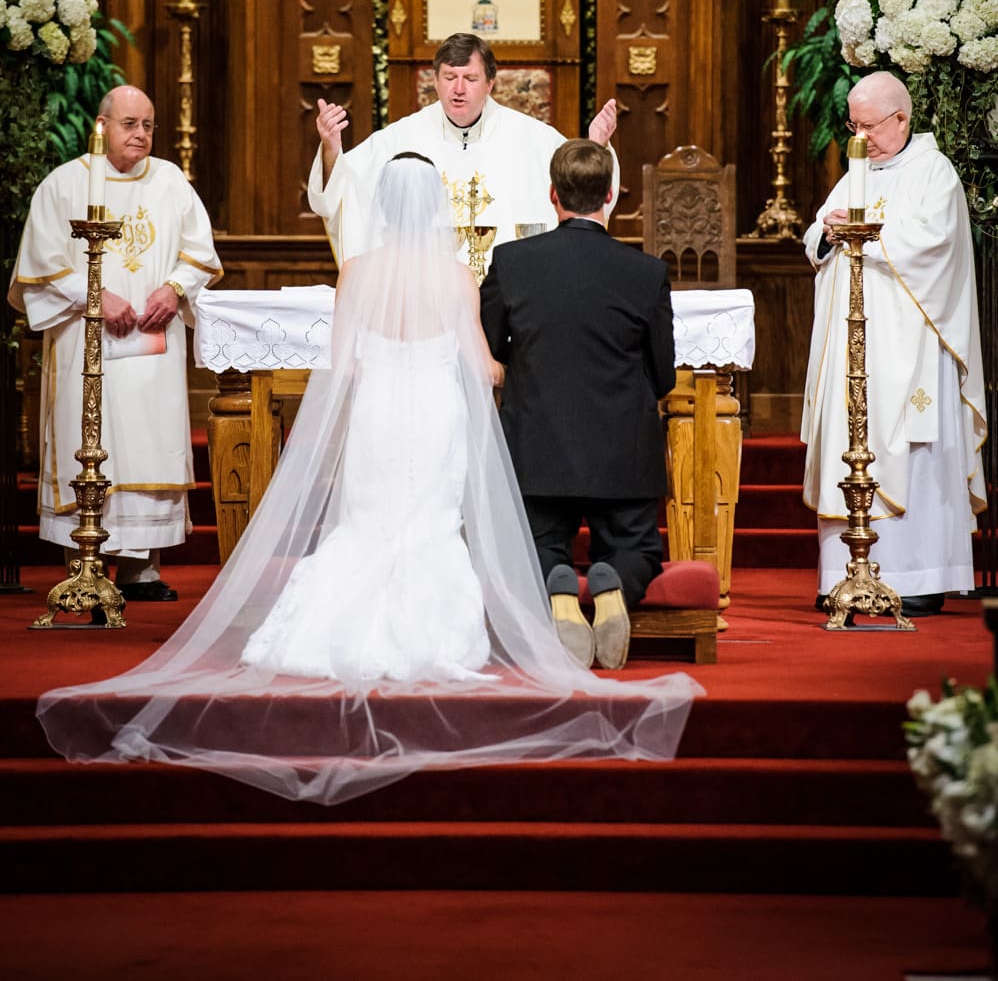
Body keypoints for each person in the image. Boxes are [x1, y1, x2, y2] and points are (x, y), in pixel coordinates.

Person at [36, 154, 701, 807]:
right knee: (434, 521)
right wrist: (518, 371)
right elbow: (483, 366)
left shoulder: (355, 273)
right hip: (437, 412)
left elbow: (343, 369)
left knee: (369, 523)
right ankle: (461, 624)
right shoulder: (454, 277)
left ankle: (350, 627)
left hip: (381, 411)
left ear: (382, 208)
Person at [8, 86, 222, 600]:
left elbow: (200, 252)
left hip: (151, 347)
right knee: (90, 442)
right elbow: (41, 262)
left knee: (148, 443)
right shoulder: (63, 185)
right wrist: (95, 296)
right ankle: (85, 565)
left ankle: (140, 569)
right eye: (130, 124)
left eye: (148, 124)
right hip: (87, 342)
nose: (141, 134)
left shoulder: (170, 181)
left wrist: (174, 289)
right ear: (102, 126)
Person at [480, 139, 676, 670]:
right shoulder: (647, 272)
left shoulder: (512, 262)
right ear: (610, 196)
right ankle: (613, 587)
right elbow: (664, 375)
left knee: (537, 545)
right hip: (622, 451)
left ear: (552, 195)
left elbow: (490, 351)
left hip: (537, 447)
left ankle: (558, 591)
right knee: (638, 550)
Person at [801, 71, 987, 616]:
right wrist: (831, 230)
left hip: (911, 345)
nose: (859, 137)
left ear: (901, 118)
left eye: (870, 125)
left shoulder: (935, 173)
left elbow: (936, 244)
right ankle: (843, 574)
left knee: (913, 445)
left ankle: (918, 575)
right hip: (853, 343)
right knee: (850, 437)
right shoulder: (858, 169)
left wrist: (865, 229)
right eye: (853, 125)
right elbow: (817, 234)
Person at [308, 32, 619, 273]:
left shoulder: (535, 139)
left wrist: (597, 147)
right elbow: (344, 189)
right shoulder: (400, 137)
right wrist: (332, 149)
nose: (458, 89)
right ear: (435, 81)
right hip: (427, 300)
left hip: (513, 295)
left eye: (470, 79)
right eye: (449, 78)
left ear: (490, 84)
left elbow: (585, 191)